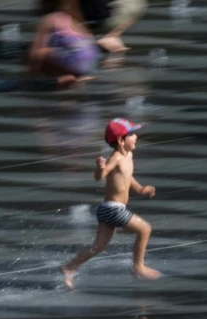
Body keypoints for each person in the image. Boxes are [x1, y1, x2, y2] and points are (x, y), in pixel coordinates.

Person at [61, 118, 161, 289]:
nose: (136, 136)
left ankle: (69, 266)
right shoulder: (115, 157)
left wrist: (140, 189)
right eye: (132, 134)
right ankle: (138, 267)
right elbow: (100, 176)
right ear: (122, 140)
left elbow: (127, 177)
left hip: (108, 210)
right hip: (113, 209)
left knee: (98, 247)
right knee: (145, 229)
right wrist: (100, 167)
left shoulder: (128, 155)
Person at [27, 0, 100, 88]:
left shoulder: (50, 19)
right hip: (92, 61)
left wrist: (27, 78)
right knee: (59, 47)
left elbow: (34, 54)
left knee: (39, 53)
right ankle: (80, 76)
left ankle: (65, 76)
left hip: (76, 60)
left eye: (40, 1)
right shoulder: (75, 19)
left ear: (48, 2)